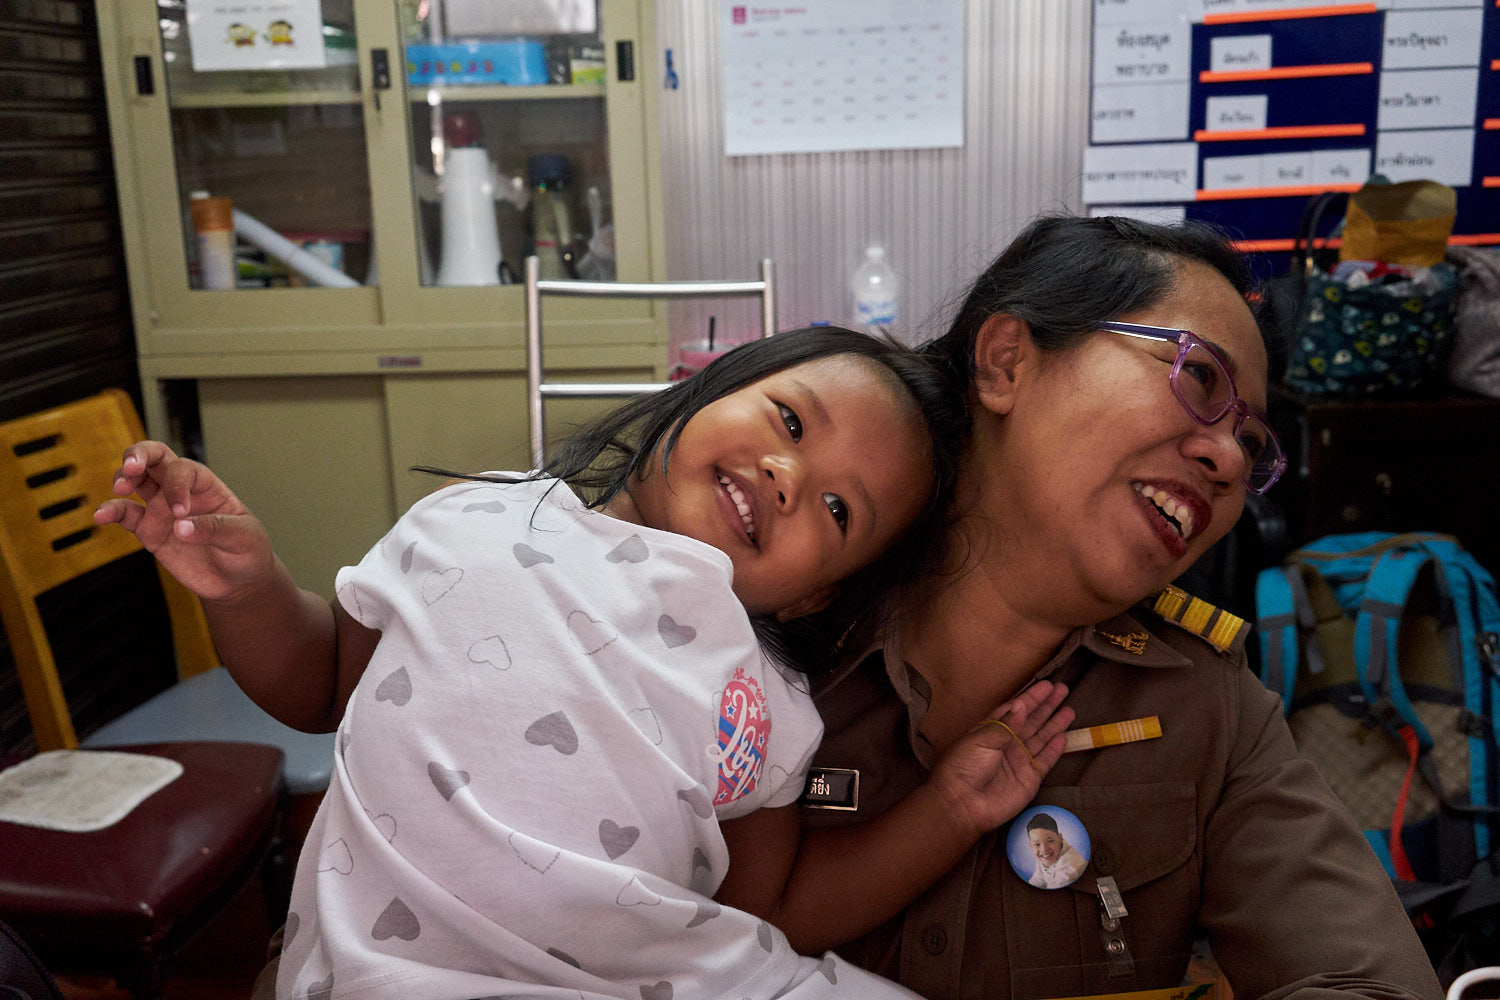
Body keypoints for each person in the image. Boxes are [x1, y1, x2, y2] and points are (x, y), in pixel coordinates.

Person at [96, 327, 1076, 1000]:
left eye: (837, 511)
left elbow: (770, 911)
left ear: (818, 595)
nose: (789, 474)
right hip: (393, 974)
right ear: (705, 390)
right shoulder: (477, 515)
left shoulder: (764, 694)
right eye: (788, 421)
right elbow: (319, 684)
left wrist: (950, 809)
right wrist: (246, 583)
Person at [800, 217, 1445, 1000]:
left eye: (1253, 442)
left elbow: (1366, 982)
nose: (1229, 459)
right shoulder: (776, 635)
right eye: (1199, 377)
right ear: (1007, 362)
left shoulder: (1207, 711)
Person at [1023, 812, 1085, 890]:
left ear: (1060, 838)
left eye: (1050, 841)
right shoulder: (1045, 857)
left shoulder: (1069, 868)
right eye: (1037, 844)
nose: (1044, 849)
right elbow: (1037, 880)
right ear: (1031, 846)